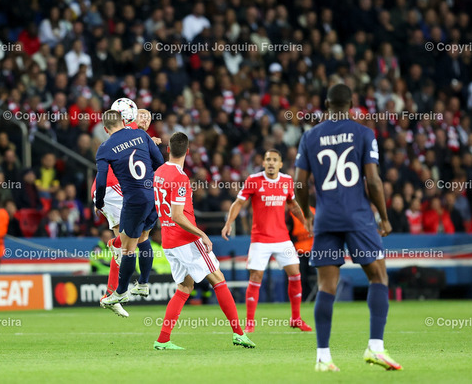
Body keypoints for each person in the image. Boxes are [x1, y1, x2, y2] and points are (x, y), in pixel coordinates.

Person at [294, 83, 402, 372]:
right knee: (378, 276)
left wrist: (306, 215)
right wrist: (384, 217)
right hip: (358, 218)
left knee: (326, 286)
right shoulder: (364, 133)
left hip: (326, 218)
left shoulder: (310, 136)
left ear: (326, 105)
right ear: (351, 105)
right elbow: (373, 180)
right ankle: (375, 347)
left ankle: (322, 357)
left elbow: (299, 183)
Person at [153, 131, 255, 349]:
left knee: (185, 287)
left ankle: (163, 339)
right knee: (218, 279)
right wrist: (202, 233)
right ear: (188, 152)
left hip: (168, 240)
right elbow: (177, 215)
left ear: (168, 150)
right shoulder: (180, 178)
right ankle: (239, 333)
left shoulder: (159, 172)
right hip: (186, 240)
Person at [221, 149, 312, 333]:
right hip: (260, 239)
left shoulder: (287, 181)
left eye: (274, 160)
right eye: (268, 159)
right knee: (256, 277)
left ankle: (296, 318)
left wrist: (305, 222)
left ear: (280, 164)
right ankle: (250, 323)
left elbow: (293, 205)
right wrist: (228, 223)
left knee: (295, 273)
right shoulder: (253, 180)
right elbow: (238, 203)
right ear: (263, 163)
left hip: (282, 238)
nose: (271, 163)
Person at [93, 109, 161, 317]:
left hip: (132, 198)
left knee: (127, 248)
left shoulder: (105, 147)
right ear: (124, 121)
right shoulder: (141, 135)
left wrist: (99, 202)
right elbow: (159, 162)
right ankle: (143, 284)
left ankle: (120, 292)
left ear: (105, 129)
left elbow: (101, 180)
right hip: (152, 195)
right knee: (143, 238)